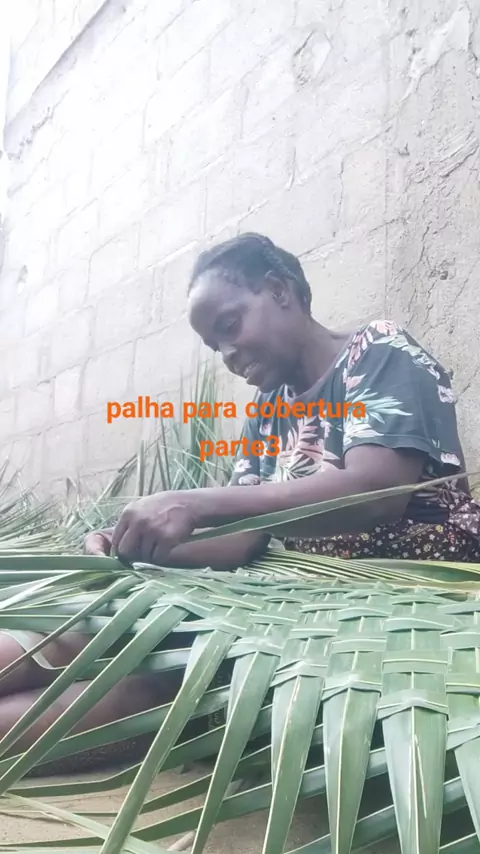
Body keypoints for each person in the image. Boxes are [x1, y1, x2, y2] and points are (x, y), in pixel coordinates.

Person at [1, 232, 480, 776]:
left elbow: (375, 493)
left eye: (229, 326)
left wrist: (194, 503)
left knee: (167, 682)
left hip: (403, 601)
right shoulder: (270, 406)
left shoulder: (380, 353)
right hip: (301, 597)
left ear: (279, 290)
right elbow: (244, 537)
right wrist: (134, 544)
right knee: (104, 629)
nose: (228, 355)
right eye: (214, 346)